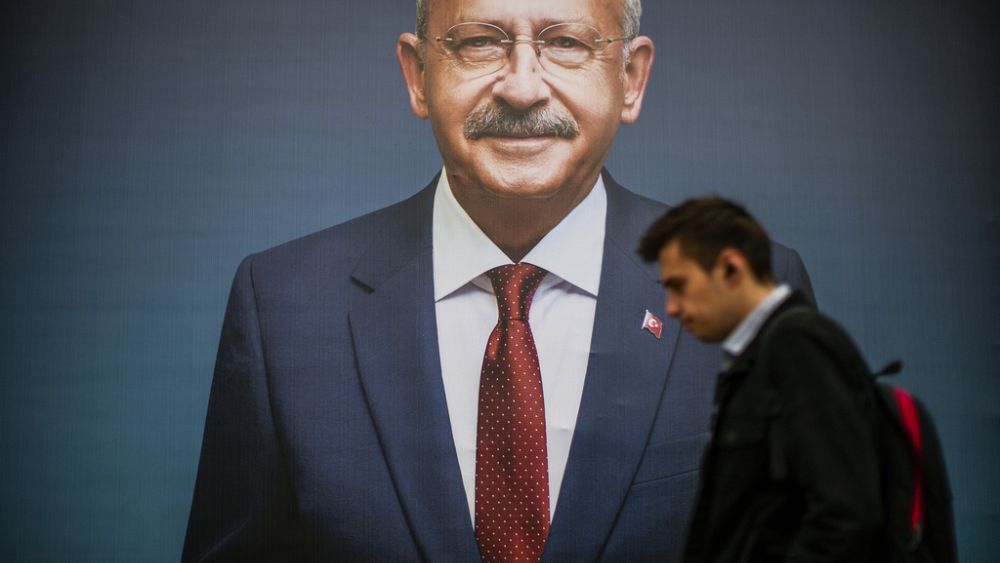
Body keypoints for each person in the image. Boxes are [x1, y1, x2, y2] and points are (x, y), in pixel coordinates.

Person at [182, 2, 814, 561]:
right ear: (418, 75)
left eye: (566, 42)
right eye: (479, 42)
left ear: (630, 78)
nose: (521, 88)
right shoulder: (284, 307)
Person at [638, 197, 881, 563]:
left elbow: (847, 513)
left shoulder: (798, 345)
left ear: (730, 269)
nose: (670, 307)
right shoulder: (758, 357)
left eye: (679, 285)